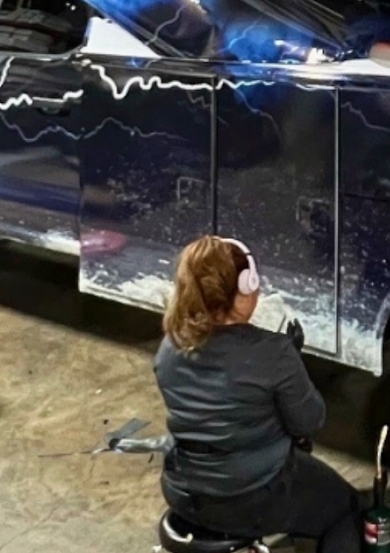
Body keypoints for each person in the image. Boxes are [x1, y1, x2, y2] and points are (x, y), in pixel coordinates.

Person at [155, 236, 362, 553]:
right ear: (241, 292)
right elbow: (309, 422)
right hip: (250, 498)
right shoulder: (275, 354)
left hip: (185, 491)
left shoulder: (170, 346)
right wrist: (292, 365)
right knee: (346, 509)